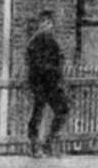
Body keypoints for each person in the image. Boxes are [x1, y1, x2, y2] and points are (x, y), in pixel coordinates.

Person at [25, 10, 70, 156]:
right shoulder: (34, 43)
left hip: (52, 83)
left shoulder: (53, 42)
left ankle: (49, 142)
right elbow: (35, 64)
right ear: (40, 24)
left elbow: (59, 61)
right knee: (38, 112)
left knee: (63, 109)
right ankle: (33, 143)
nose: (49, 26)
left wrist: (58, 75)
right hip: (39, 83)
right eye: (45, 23)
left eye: (50, 23)